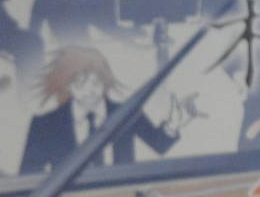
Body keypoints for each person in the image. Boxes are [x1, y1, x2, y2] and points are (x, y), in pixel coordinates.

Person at [19, 46, 188, 173]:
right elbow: (28, 175)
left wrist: (173, 124)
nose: (89, 89)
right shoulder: (45, 125)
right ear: (67, 85)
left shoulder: (126, 113)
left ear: (105, 80)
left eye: (95, 82)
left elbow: (159, 144)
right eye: (80, 83)